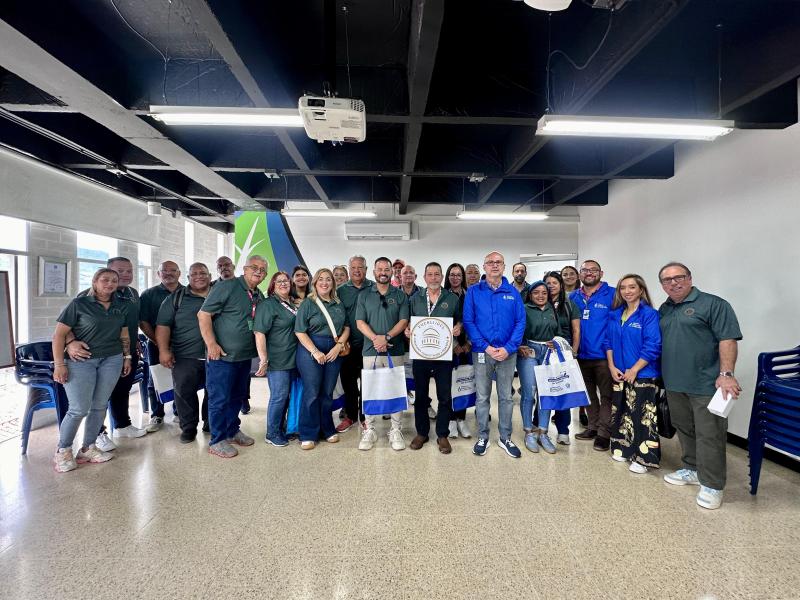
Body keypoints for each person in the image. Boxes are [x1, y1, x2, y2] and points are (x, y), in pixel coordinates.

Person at [658, 262, 742, 510]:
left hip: (706, 383)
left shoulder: (714, 304)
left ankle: (713, 484)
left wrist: (727, 374)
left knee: (710, 434)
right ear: (662, 285)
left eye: (679, 277)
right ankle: (692, 468)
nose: (674, 282)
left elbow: (727, 339)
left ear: (689, 278)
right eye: (667, 280)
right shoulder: (664, 309)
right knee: (684, 428)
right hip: (674, 382)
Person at [52, 268, 132, 472]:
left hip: (112, 359)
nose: (110, 284)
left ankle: (88, 448)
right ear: (95, 282)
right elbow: (59, 335)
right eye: (105, 280)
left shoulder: (121, 305)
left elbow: (124, 335)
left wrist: (127, 357)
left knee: (99, 405)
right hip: (81, 361)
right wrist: (60, 364)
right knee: (78, 408)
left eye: (114, 280)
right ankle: (63, 450)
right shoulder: (79, 304)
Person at [67, 256, 146, 448]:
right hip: (96, 355)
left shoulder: (133, 293)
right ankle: (98, 434)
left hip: (125, 352)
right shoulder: (87, 296)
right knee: (99, 397)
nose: (125, 275)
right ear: (107, 272)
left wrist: (134, 342)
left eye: (129, 271)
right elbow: (66, 324)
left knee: (122, 389)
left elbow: (130, 323)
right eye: (120, 271)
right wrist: (70, 342)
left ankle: (122, 425)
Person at [197, 254, 267, 458]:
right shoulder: (227, 286)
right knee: (220, 398)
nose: (258, 271)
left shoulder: (257, 294)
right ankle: (217, 440)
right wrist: (211, 344)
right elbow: (203, 315)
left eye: (262, 269)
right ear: (244, 269)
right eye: (254, 267)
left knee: (237, 396)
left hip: (244, 357)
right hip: (222, 357)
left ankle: (232, 430)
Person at [463, 251, 525, 459]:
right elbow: (469, 322)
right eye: (490, 262)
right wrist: (486, 347)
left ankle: (505, 437)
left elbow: (520, 322)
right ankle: (483, 437)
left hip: (507, 353)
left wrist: (508, 348)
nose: (494, 265)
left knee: (506, 397)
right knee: (482, 397)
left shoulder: (512, 292)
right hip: (482, 352)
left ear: (504, 266)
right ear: (485, 267)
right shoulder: (473, 291)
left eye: (498, 262)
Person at [604, 274, 662, 474]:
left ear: (641, 290)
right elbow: (608, 342)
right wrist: (612, 367)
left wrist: (635, 369)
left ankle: (644, 458)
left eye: (632, 287)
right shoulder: (615, 314)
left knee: (642, 416)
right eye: (623, 288)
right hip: (619, 373)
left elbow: (653, 345)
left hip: (642, 373)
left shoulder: (649, 314)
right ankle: (623, 448)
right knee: (621, 413)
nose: (627, 291)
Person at [405, 262, 462, 454]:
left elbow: (460, 319)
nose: (434, 278)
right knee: (420, 396)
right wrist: (407, 330)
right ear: (424, 276)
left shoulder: (451, 298)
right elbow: (408, 321)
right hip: (420, 355)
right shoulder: (415, 298)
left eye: (437, 274)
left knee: (444, 396)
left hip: (443, 355)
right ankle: (422, 432)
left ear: (441, 277)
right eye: (430, 274)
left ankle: (442, 434)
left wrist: (458, 327)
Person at [355, 257, 410, 451]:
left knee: (395, 388)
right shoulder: (364, 295)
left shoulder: (400, 295)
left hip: (394, 349)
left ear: (391, 272)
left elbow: (403, 321)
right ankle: (369, 429)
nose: (383, 272)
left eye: (387, 269)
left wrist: (386, 337)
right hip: (370, 350)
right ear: (374, 272)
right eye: (380, 269)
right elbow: (360, 322)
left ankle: (395, 429)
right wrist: (376, 339)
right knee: (369, 389)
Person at [155, 262, 211, 443]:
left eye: (203, 273)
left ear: (210, 276)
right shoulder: (176, 298)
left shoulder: (219, 294)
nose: (199, 276)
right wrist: (163, 350)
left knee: (216, 392)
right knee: (184, 392)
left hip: (217, 355)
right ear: (187, 278)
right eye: (194, 274)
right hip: (186, 355)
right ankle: (188, 428)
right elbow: (163, 325)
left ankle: (211, 423)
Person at [294, 268, 350, 449]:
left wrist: (339, 346)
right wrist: (315, 351)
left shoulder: (338, 303)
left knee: (327, 392)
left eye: (328, 279)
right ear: (315, 283)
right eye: (321, 279)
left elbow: (347, 327)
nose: (325, 283)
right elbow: (300, 331)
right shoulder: (308, 303)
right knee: (312, 392)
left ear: (333, 283)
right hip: (311, 348)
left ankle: (327, 429)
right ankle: (308, 433)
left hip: (334, 349)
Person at [570, 260, 616, 452]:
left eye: (593, 270)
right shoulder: (574, 296)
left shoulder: (613, 294)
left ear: (601, 273)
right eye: (585, 270)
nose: (589, 273)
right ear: (580, 274)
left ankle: (604, 434)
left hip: (604, 356)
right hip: (581, 356)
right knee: (588, 395)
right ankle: (592, 427)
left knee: (607, 396)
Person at [254, 272, 298, 447]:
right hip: (278, 359)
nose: (283, 284)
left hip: (293, 358)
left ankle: (281, 428)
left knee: (286, 396)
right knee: (279, 396)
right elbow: (259, 333)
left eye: (286, 281)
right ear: (272, 285)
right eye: (279, 281)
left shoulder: (292, 303)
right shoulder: (268, 305)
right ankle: (271, 433)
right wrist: (263, 359)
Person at [138, 260, 183, 432]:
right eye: (164, 271)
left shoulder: (187, 292)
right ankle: (157, 415)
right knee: (155, 379)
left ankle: (179, 412)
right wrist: (160, 342)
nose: (169, 273)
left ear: (179, 273)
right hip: (155, 344)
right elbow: (143, 322)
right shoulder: (149, 294)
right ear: (159, 274)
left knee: (182, 379)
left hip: (183, 345)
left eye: (173, 270)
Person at [517, 281, 560, 454]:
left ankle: (543, 432)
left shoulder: (553, 310)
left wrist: (558, 342)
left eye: (544, 292)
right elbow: (516, 328)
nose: (540, 296)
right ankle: (529, 432)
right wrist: (519, 345)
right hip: (529, 352)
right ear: (530, 294)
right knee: (529, 393)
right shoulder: (524, 308)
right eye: (536, 293)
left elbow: (562, 330)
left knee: (546, 394)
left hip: (549, 354)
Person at [335, 255, 373, 433]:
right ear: (349, 270)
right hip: (347, 346)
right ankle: (350, 416)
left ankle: (366, 417)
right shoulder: (341, 290)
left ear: (366, 269)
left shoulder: (374, 288)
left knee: (368, 383)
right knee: (349, 383)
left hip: (369, 345)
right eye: (354, 268)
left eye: (361, 267)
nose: (357, 271)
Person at [544, 271, 580, 445]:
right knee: (543, 390)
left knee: (562, 390)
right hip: (544, 353)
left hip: (564, 354)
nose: (551, 286)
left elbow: (576, 330)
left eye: (554, 283)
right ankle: (539, 425)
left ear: (561, 285)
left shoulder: (570, 305)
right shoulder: (539, 302)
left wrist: (573, 352)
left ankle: (563, 430)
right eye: (548, 283)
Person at [444, 262, 472, 439]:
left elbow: (473, 320)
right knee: (449, 384)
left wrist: (468, 343)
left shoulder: (470, 295)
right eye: (452, 275)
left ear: (463, 278)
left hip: (468, 346)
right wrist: (454, 345)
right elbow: (441, 322)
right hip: (449, 348)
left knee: (464, 382)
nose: (455, 278)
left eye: (458, 275)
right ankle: (451, 420)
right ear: (448, 277)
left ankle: (462, 419)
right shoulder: (443, 296)